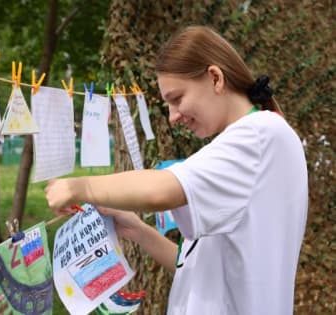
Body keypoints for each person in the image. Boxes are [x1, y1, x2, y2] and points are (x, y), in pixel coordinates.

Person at [45, 26, 308, 315]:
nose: (173, 117)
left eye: (177, 98)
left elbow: (161, 189)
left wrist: (80, 187)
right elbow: (196, 268)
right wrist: (140, 231)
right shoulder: (249, 144)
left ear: (215, 78)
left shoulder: (259, 135)